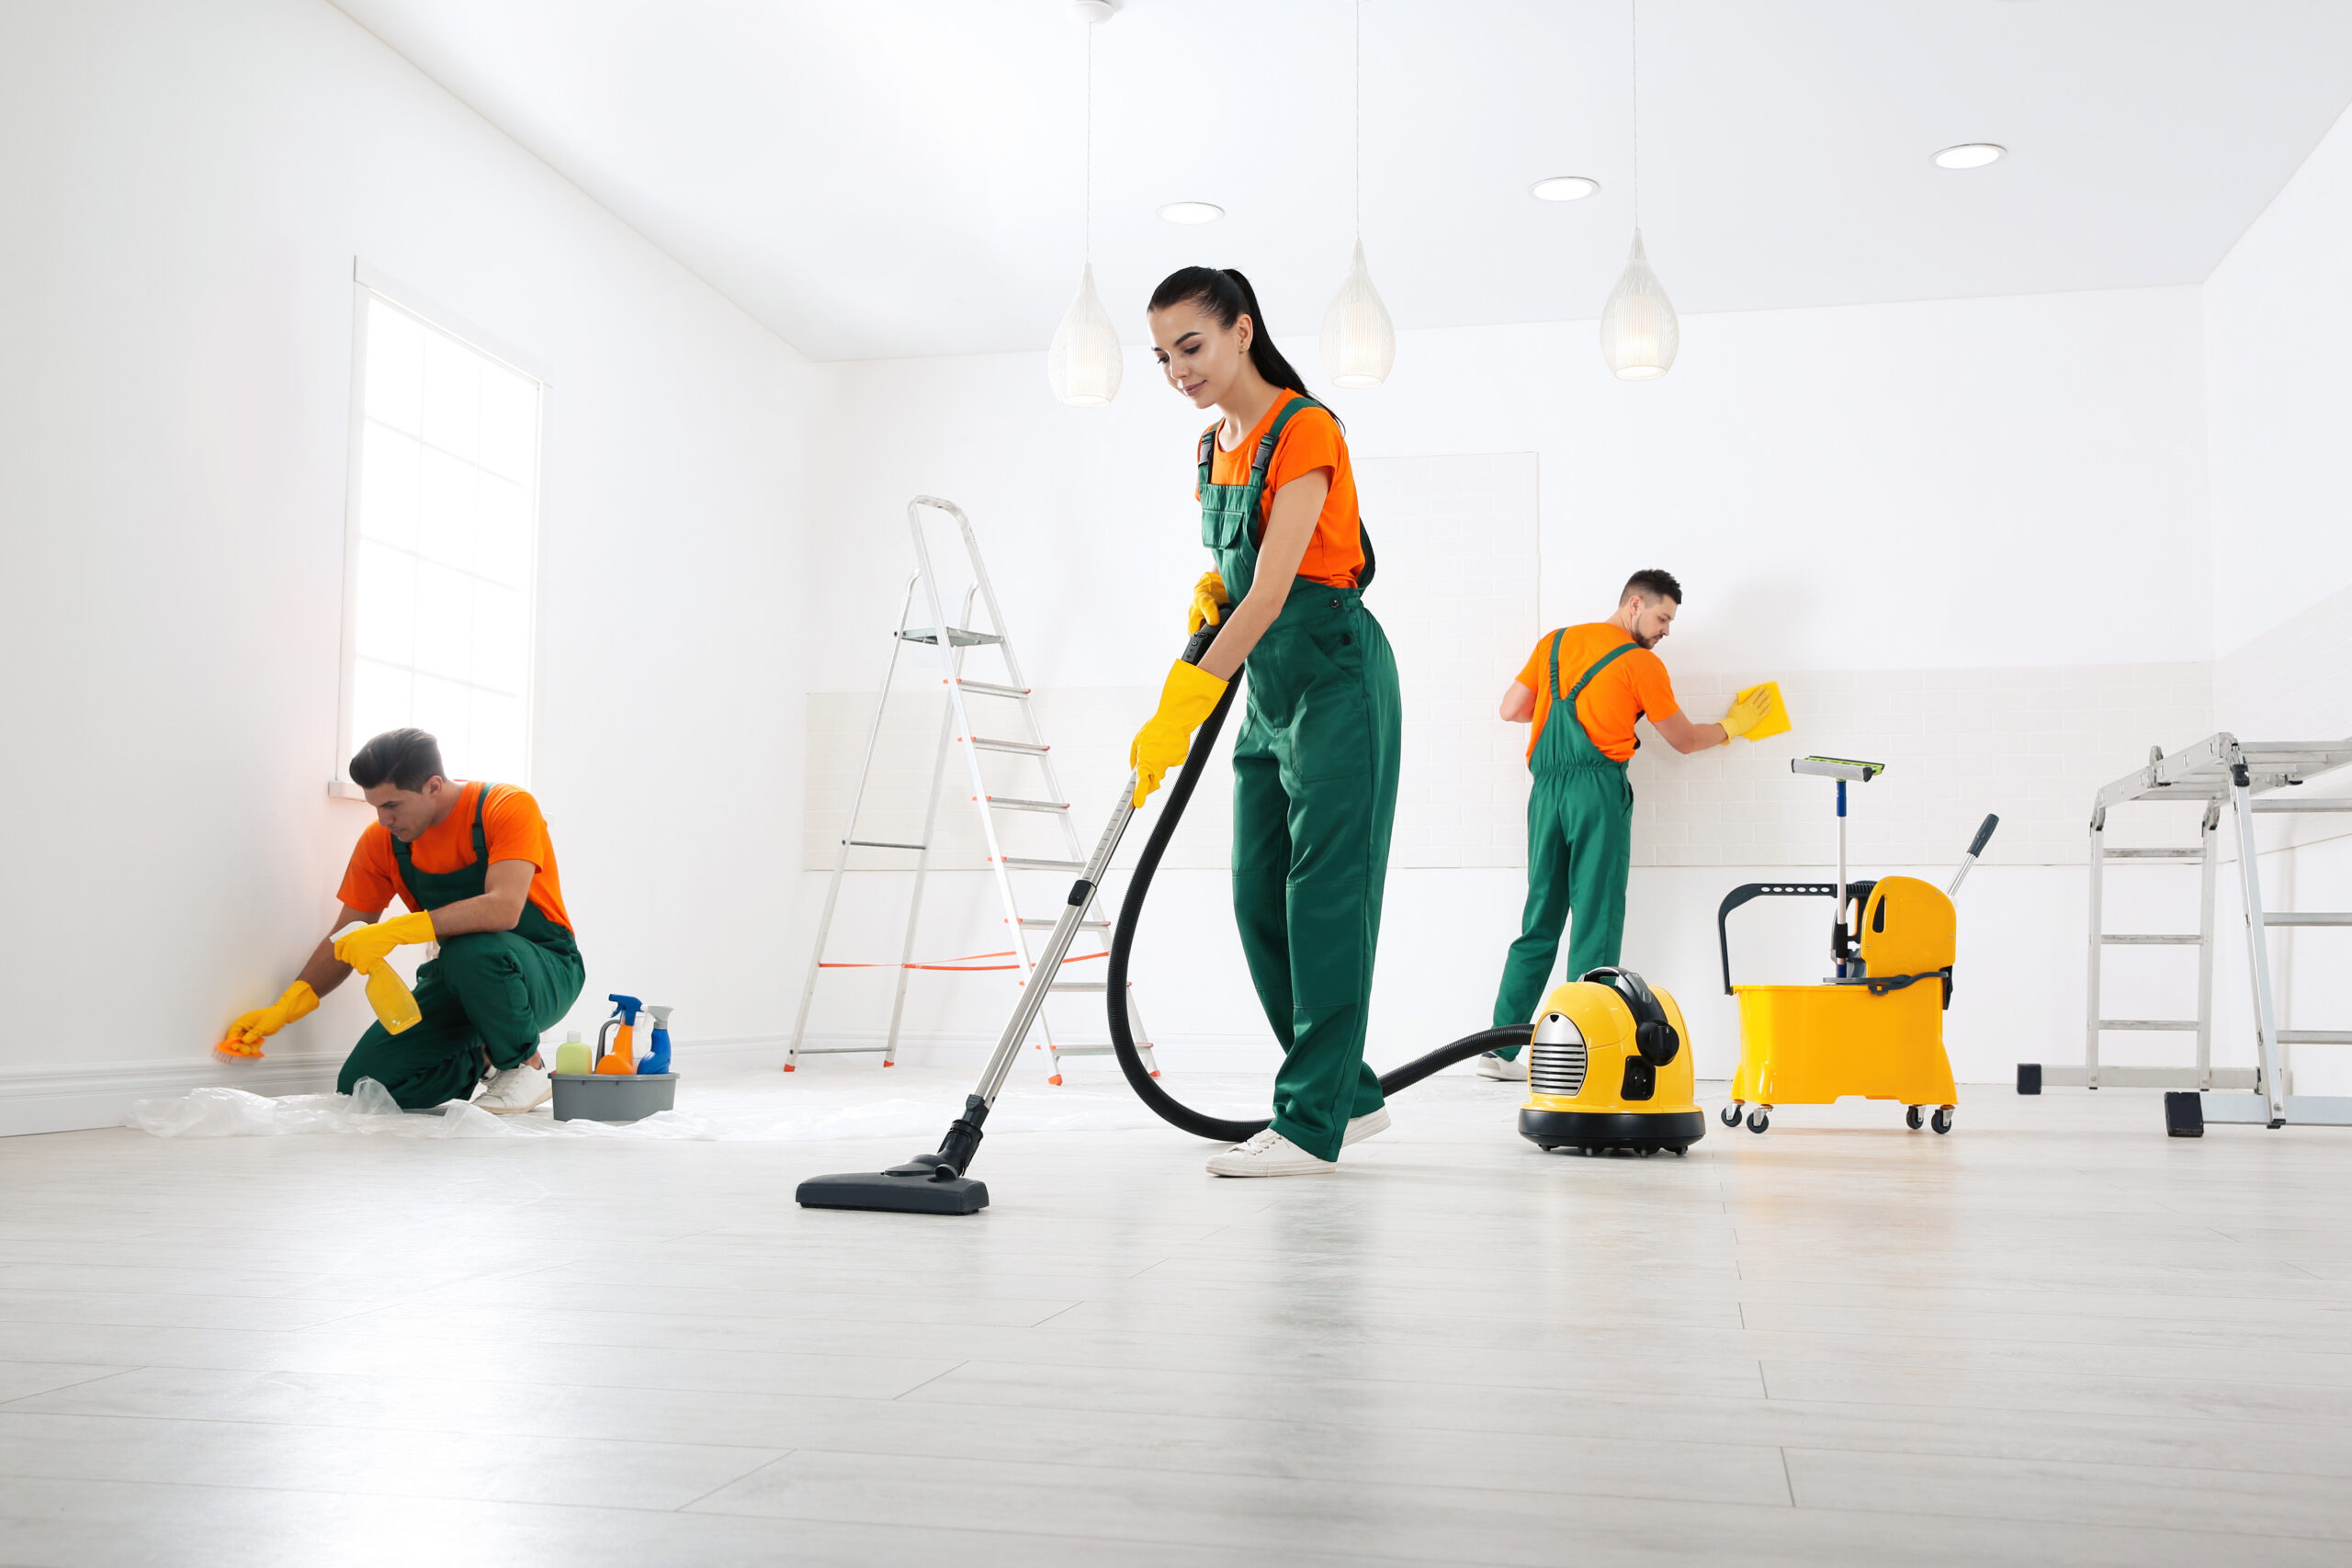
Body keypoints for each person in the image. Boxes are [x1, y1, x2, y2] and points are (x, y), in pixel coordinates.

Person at [1131, 266, 1401, 1178]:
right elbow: (1240, 584)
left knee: (1325, 901)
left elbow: (1278, 588)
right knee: (1259, 898)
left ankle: (1308, 1123)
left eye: (1192, 346)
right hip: (1266, 691)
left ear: (1242, 331)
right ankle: (1347, 1095)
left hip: (1334, 677)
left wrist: (1184, 700)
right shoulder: (1212, 448)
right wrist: (1215, 598)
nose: (1177, 368)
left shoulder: (1304, 427)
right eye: (1163, 354)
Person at [1478, 570, 1774, 1077]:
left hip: (1546, 793)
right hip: (1596, 792)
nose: (1665, 632)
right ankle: (1580, 1053)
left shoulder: (1555, 643)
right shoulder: (1641, 665)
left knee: (1539, 921)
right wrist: (1733, 727)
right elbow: (1681, 739)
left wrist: (1568, 701)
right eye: (1663, 618)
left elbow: (1511, 709)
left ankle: (1497, 1050)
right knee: (1596, 920)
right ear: (1634, 605)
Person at [216, 728, 584, 1112]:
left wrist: (395, 931)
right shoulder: (382, 844)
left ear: (433, 786)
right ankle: (487, 1060)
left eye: (393, 805)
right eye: (375, 806)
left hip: (544, 971)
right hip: (461, 979)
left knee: (472, 948)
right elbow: (347, 934)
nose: (384, 818)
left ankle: (527, 1065)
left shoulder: (505, 806)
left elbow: (503, 909)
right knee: (363, 1088)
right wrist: (288, 1005)